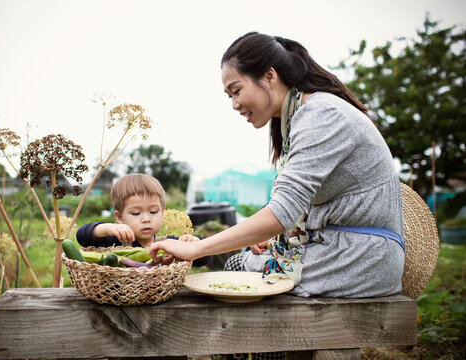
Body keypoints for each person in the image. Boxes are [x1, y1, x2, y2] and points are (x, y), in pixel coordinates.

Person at [149, 31, 405, 299]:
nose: (235, 104)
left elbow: (281, 212)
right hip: (346, 250)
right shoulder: (301, 115)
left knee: (239, 267)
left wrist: (197, 249)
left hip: (362, 259)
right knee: (245, 261)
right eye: (229, 96)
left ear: (270, 76)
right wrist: (272, 236)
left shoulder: (321, 114)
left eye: (237, 90)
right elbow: (292, 209)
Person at [77, 173, 210, 267]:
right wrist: (106, 228)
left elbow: (203, 259)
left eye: (153, 212)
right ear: (119, 217)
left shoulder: (168, 244)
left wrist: (194, 243)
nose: (146, 219)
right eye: (136, 213)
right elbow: (82, 237)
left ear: (162, 213)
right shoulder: (114, 242)